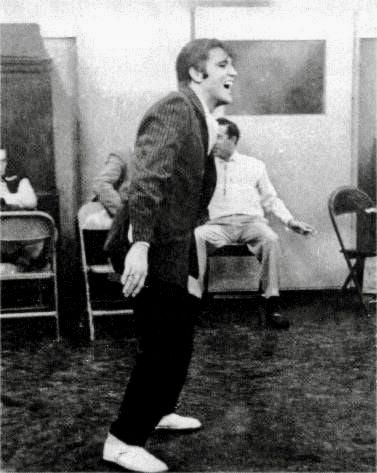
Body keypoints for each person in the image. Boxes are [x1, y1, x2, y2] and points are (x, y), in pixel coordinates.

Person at [102, 39, 237, 473]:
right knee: (162, 345)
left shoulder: (200, 116)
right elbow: (147, 180)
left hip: (169, 243)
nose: (232, 72)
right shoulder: (176, 109)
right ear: (197, 73)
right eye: (223, 65)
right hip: (147, 245)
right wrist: (140, 244)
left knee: (177, 340)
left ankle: (158, 411)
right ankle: (122, 440)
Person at [191, 118, 315, 329]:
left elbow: (271, 199)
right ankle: (194, 303)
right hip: (217, 225)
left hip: (251, 223)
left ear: (233, 139)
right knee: (196, 237)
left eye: (219, 137)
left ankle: (272, 304)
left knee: (271, 239)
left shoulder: (254, 165)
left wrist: (290, 221)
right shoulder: (205, 166)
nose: (214, 142)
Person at [0, 149, 44, 272]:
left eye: (3, 161)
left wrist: (5, 198)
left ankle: (21, 265)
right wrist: (17, 200)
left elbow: (30, 201)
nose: (0, 165)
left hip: (20, 237)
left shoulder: (18, 179)